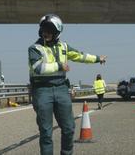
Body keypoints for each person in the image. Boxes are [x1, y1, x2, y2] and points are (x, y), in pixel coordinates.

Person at [28, 14, 107, 155]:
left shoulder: (63, 47)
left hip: (61, 89)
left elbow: (80, 56)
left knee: (69, 127)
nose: (46, 33)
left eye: (50, 30)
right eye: (44, 29)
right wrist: (59, 66)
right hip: (42, 90)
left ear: (57, 32)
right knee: (46, 132)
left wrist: (97, 59)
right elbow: (38, 68)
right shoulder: (35, 48)